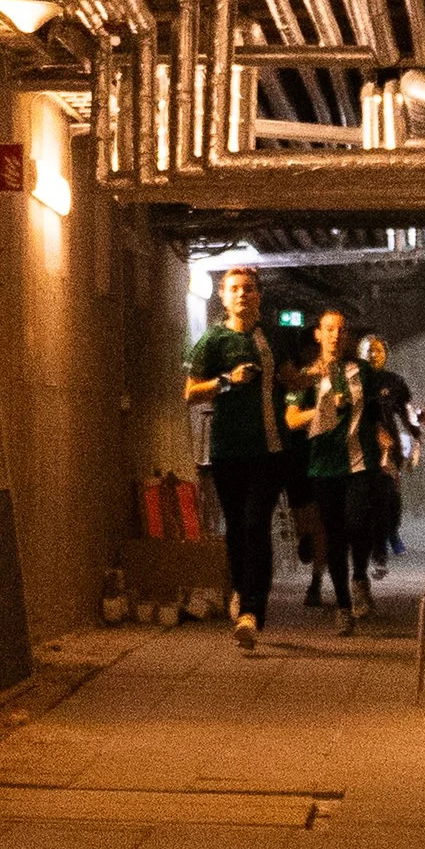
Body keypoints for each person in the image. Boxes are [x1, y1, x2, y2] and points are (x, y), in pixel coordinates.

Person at [184, 261, 284, 650]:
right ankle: (242, 592)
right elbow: (190, 392)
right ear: (223, 298)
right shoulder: (212, 341)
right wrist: (227, 381)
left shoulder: (270, 338)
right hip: (228, 451)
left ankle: (252, 612)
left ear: (259, 297)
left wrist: (311, 377)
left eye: (250, 288)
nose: (243, 294)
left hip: (269, 449)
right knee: (237, 528)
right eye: (235, 288)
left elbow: (288, 378)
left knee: (257, 524)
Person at [285, 305, 376, 632]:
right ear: (318, 334)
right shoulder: (306, 376)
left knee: (357, 523)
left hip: (359, 462)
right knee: (334, 536)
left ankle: (361, 578)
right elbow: (291, 419)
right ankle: (342, 605)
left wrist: (385, 437)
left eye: (341, 330)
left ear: (347, 335)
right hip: (324, 467)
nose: (336, 335)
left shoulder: (362, 371)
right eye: (329, 329)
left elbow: (375, 411)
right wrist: (321, 410)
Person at [360, 332, 417, 568]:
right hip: (362, 445)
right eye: (369, 350)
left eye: (378, 350)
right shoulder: (357, 379)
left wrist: (416, 440)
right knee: (372, 499)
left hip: (390, 445)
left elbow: (408, 411)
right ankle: (378, 549)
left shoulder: (394, 381)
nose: (374, 355)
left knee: (391, 498)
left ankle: (391, 530)